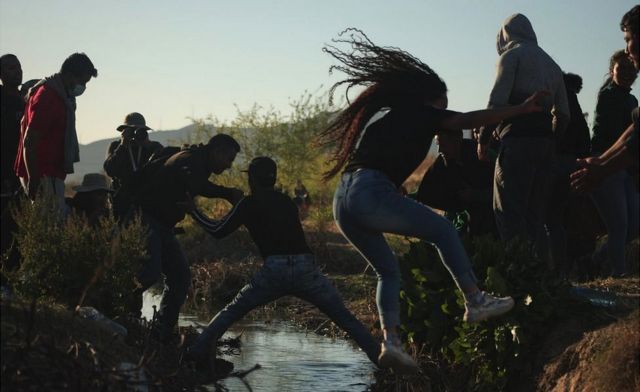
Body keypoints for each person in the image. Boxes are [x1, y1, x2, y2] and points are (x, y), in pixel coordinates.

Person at [316, 29, 550, 373]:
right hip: (368, 190)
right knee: (442, 229)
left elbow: (376, 158)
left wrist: (391, 187)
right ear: (433, 99)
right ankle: (475, 300)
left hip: (345, 200)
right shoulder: (425, 113)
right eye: (444, 101)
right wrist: (520, 109)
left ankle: (391, 344)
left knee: (387, 270)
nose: (445, 110)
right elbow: (467, 120)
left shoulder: (388, 117)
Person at [185, 157, 380, 373]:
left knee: (231, 312)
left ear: (251, 179)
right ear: (274, 178)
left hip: (274, 271)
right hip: (306, 268)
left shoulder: (248, 204)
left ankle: (195, 353)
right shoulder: (287, 202)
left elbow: (217, 231)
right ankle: (383, 361)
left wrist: (193, 211)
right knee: (346, 320)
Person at [132, 134, 244, 341]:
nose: (229, 165)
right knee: (149, 274)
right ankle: (123, 316)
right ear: (217, 151)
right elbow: (198, 185)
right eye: (228, 159)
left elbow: (198, 184)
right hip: (148, 221)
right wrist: (228, 193)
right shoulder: (189, 160)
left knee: (180, 278)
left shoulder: (196, 161)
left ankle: (162, 332)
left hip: (163, 226)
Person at [477, 13, 570, 255]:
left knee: (510, 215)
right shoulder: (553, 65)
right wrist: (550, 142)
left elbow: (496, 105)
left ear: (504, 35)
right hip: (545, 146)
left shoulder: (511, 57)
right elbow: (563, 115)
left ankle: (519, 278)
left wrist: (483, 139)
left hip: (516, 142)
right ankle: (544, 279)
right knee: (536, 218)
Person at [13, 52, 98, 216]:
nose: (83, 87)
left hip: (48, 173)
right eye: (82, 81)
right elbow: (30, 141)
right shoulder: (48, 97)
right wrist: (34, 178)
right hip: (44, 173)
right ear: (69, 75)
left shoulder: (60, 96)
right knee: (50, 226)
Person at [571, 5, 640, 192]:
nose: (627, 49)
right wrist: (601, 162)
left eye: (629, 40)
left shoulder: (631, 100)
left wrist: (602, 168)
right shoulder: (610, 95)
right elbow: (635, 129)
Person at [586, 51, 638, 277]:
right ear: (612, 71)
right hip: (606, 162)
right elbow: (623, 135)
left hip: (624, 166)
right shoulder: (608, 96)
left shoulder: (632, 100)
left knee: (633, 223)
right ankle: (618, 273)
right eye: (621, 69)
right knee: (619, 225)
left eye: (631, 70)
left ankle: (596, 259)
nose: (627, 73)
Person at [544, 73, 592, 275]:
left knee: (549, 218)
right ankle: (565, 268)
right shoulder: (573, 99)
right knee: (562, 219)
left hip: (556, 161)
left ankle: (552, 269)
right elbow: (584, 135)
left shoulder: (555, 95)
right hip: (573, 161)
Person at [416, 130, 496, 237]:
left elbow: (505, 191)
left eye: (443, 145)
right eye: (438, 145)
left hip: (490, 216)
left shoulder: (483, 156)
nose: (440, 150)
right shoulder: (443, 161)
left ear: (457, 141)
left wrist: (475, 195)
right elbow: (426, 192)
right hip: (459, 218)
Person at [103, 112, 163, 221]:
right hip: (122, 202)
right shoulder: (116, 146)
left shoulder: (154, 147)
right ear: (124, 131)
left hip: (148, 202)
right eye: (131, 131)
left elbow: (163, 171)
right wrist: (123, 145)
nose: (136, 134)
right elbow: (110, 170)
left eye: (140, 130)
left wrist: (147, 145)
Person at [1, 54, 24, 214]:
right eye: (11, 68)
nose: (17, 72)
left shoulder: (27, 100)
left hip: (24, 170)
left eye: (19, 67)